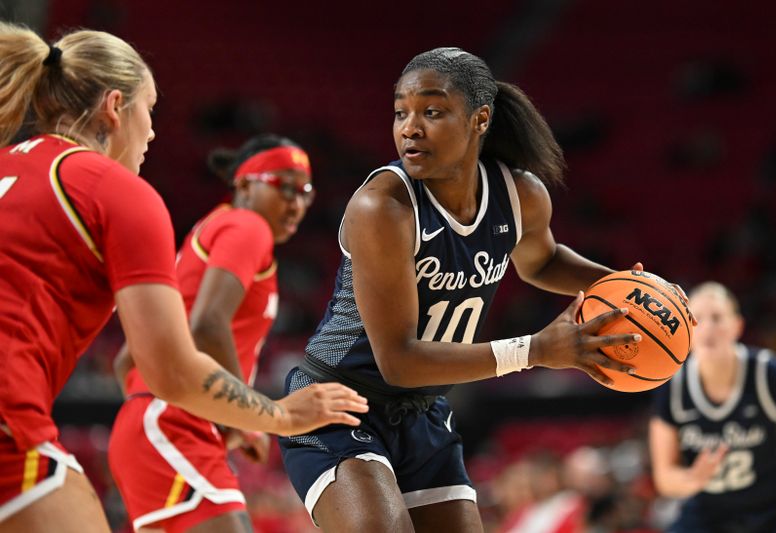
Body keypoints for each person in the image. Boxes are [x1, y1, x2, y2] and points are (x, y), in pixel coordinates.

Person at [0, 23, 367, 533]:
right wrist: (278, 415)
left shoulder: (9, 167)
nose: (152, 131)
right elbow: (176, 361)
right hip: (87, 420)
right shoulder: (119, 192)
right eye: (149, 109)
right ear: (114, 107)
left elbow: (134, 355)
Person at [278, 46, 662, 532]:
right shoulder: (382, 207)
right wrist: (535, 350)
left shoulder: (519, 193)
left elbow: (541, 260)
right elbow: (398, 360)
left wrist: (637, 287)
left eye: (432, 112)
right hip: (339, 402)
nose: (409, 128)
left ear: (480, 119)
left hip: (421, 411)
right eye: (400, 112)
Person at [108, 134, 316, 533]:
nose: (296, 203)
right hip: (173, 421)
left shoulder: (211, 230)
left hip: (161, 421)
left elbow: (126, 359)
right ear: (243, 185)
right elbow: (208, 324)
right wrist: (245, 417)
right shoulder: (247, 226)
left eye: (305, 192)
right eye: (283, 187)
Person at [649, 281, 776, 533]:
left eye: (717, 318)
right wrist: (691, 479)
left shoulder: (769, 373)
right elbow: (664, 478)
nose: (707, 328)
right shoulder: (673, 389)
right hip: (708, 515)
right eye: (697, 319)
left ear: (737, 326)